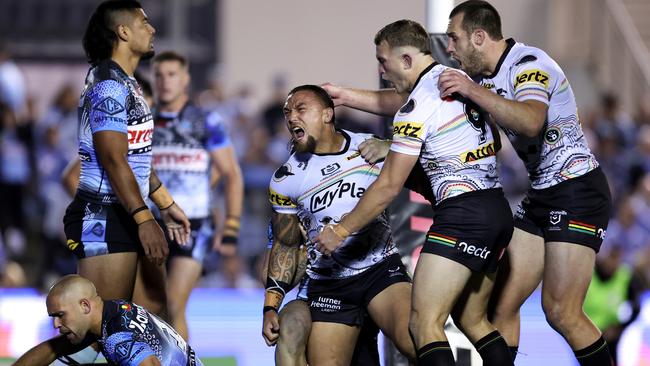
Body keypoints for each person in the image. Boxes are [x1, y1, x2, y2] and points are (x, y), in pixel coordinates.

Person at [316, 20, 514, 366]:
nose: (381, 70)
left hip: (462, 218)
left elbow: (389, 185)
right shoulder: (455, 81)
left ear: (406, 60)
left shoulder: (416, 107)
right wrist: (347, 96)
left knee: (423, 323)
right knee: (473, 320)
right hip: (496, 210)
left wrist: (341, 230)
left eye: (383, 61)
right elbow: (489, 139)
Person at [438, 1, 613, 363]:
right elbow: (413, 104)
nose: (449, 47)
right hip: (542, 194)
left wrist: (472, 92)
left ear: (479, 36)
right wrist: (349, 98)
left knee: (561, 311)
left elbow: (532, 121)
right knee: (499, 306)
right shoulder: (483, 79)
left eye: (454, 38)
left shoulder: (531, 65)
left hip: (577, 190)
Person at [60, 1, 191, 362]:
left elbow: (136, 161)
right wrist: (145, 218)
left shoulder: (127, 84)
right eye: (144, 22)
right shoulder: (107, 84)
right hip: (103, 217)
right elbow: (113, 157)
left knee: (150, 322)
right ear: (123, 32)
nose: (152, 28)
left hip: (128, 214)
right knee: (96, 334)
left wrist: (164, 204)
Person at [264, 84, 417, 365]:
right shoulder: (285, 179)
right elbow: (286, 246)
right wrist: (270, 306)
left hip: (379, 270)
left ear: (327, 114)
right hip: (330, 284)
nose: (291, 117)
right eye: (287, 112)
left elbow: (426, 153)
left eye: (300, 109)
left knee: (418, 340)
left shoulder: (368, 146)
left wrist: (390, 145)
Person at [150, 50, 244, 340]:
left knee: (174, 306)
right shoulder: (144, 121)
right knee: (153, 309)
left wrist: (230, 228)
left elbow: (231, 174)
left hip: (194, 225)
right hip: (151, 223)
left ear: (186, 79)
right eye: (159, 75)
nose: (165, 81)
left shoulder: (206, 121)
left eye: (172, 74)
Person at [262, 222, 382, 366]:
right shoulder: (285, 213)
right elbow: (268, 278)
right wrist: (311, 247)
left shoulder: (355, 205)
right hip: (310, 299)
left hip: (356, 295)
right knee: (290, 325)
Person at [13, 274, 202, 366]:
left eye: (60, 315)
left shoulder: (117, 337)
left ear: (85, 306)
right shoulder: (115, 311)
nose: (56, 325)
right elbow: (55, 348)